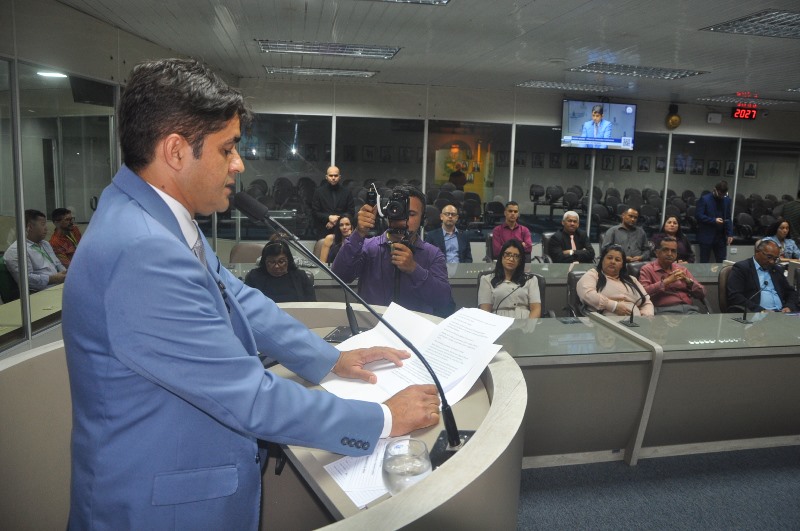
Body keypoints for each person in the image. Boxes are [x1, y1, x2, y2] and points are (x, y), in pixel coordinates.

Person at [62, 58, 438, 530]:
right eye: (227, 149)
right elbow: (251, 398)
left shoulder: (150, 215)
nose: (238, 164)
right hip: (161, 511)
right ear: (175, 151)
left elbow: (235, 297)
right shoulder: (143, 251)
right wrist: (382, 419)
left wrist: (329, 359)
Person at [331, 185, 453, 316]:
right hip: (372, 325)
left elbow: (443, 301)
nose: (403, 218)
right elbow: (340, 276)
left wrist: (414, 269)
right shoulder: (368, 248)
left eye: (411, 214)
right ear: (388, 212)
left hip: (415, 326)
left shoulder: (432, 254)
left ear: (423, 219)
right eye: (398, 209)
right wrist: (358, 233)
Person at [577, 244, 654, 316]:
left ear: (622, 265)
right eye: (609, 258)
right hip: (604, 322)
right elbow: (587, 294)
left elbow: (647, 302)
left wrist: (646, 317)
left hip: (636, 322)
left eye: (617, 260)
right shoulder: (593, 275)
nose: (613, 262)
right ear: (602, 260)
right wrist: (613, 306)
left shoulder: (632, 280)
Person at [726, 239, 798, 313]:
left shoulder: (776, 269)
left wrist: (789, 307)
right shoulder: (742, 268)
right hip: (756, 314)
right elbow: (735, 296)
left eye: (775, 259)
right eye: (769, 257)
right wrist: (761, 310)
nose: (772, 261)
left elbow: (791, 292)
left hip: (781, 313)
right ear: (757, 252)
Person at [639, 237, 706, 314]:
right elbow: (643, 294)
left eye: (673, 251)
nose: (670, 254)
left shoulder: (682, 269)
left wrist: (688, 281)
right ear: (657, 253)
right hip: (665, 311)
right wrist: (666, 282)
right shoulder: (647, 269)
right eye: (665, 250)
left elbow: (702, 293)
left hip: (689, 310)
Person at [4, 209, 67, 292]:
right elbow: (26, 280)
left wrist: (66, 274)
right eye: (43, 224)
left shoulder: (45, 244)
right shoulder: (17, 250)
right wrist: (52, 279)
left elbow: (58, 264)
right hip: (40, 292)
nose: (46, 228)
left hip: (58, 286)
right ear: (30, 227)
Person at [478, 239, 541, 319]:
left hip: (524, 322)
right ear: (501, 256)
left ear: (520, 260)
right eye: (507, 254)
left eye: (516, 256)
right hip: (498, 322)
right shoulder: (486, 280)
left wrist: (529, 325)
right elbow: (485, 312)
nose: (511, 259)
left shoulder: (531, 280)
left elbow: (536, 309)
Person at [245, 236, 316, 302]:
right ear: (264, 261)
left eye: (281, 261)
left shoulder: (300, 276)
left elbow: (312, 305)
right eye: (271, 262)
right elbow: (246, 304)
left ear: (288, 260)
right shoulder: (254, 277)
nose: (276, 266)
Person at [310, 165, 355, 239]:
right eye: (331, 175)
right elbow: (314, 212)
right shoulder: (319, 192)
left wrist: (335, 221)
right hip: (324, 230)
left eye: (336, 175)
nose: (333, 178)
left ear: (339, 177)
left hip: (343, 232)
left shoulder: (347, 192)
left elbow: (351, 212)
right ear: (326, 177)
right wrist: (328, 217)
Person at [695, 180, 733, 263]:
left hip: (721, 237)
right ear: (715, 190)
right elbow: (699, 216)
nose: (721, 197)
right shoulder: (705, 199)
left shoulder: (726, 200)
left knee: (722, 261)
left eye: (723, 195)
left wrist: (730, 233)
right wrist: (713, 220)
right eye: (720, 194)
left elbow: (728, 218)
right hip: (706, 235)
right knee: (704, 262)